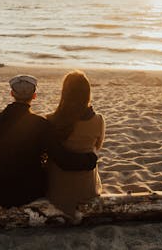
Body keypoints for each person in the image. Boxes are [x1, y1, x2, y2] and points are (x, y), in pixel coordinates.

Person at [0, 74, 98, 208]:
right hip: (27, 192)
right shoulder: (40, 124)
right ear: (34, 96)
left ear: (11, 93)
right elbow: (63, 160)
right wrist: (90, 159)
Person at [46, 70, 105, 217]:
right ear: (87, 94)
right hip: (87, 190)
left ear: (64, 93)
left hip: (56, 191)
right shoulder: (98, 120)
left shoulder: (50, 120)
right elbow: (98, 146)